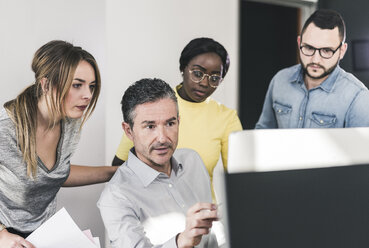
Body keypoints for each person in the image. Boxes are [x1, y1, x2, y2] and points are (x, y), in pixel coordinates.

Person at [0, 40, 118, 248]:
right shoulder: (6, 128)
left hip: (44, 234)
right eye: (77, 85)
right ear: (46, 85)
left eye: (91, 86)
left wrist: (114, 172)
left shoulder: (69, 122)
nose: (88, 95)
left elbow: (56, 175)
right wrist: (1, 235)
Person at [112, 37, 243, 200]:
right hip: (151, 211)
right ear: (183, 68)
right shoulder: (154, 104)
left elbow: (240, 181)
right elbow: (119, 166)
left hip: (201, 215)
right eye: (197, 73)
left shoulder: (226, 118)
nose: (204, 83)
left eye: (214, 78)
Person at [98, 78, 220, 248]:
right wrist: (181, 242)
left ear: (179, 121)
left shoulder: (193, 161)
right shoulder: (116, 196)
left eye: (170, 123)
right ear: (129, 131)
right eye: (150, 126)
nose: (163, 138)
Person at [256, 9, 369, 129]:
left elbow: (360, 147)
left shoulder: (358, 97)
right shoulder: (280, 80)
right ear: (299, 42)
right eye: (309, 48)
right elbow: (263, 133)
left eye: (326, 51)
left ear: (342, 51)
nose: (315, 60)